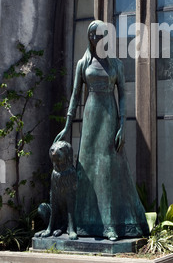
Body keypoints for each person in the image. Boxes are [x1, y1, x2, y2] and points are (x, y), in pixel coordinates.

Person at [54, 20, 148, 241]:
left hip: (109, 115)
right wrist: (68, 124)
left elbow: (123, 95)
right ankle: (80, 224)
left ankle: (109, 225)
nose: (100, 39)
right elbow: (76, 94)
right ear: (90, 38)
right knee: (85, 166)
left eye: (104, 35)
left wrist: (123, 125)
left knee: (106, 167)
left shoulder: (116, 64)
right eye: (96, 36)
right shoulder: (82, 64)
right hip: (90, 115)